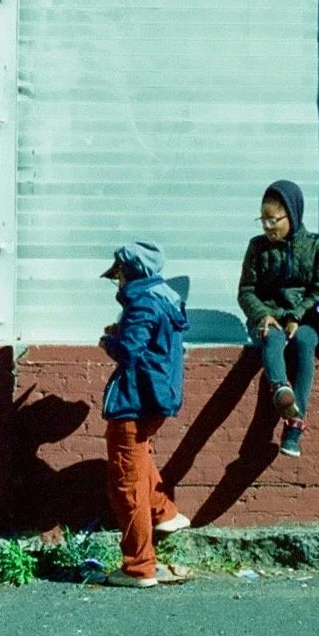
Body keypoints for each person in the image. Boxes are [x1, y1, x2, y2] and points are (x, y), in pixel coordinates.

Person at [99, 240, 191, 588]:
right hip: (155, 398)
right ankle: (164, 512)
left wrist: (109, 341)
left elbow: (130, 350)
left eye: (118, 275)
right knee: (139, 460)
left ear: (129, 272)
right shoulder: (164, 298)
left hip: (135, 400)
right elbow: (152, 343)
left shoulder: (142, 302)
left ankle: (139, 567)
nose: (117, 281)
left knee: (127, 482)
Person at [237, 180, 319, 458]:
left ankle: (294, 429)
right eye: (263, 220)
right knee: (272, 337)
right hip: (269, 317)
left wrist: (296, 315)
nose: (267, 227)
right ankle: (281, 391)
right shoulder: (257, 247)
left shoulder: (318, 245)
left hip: (306, 318)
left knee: (304, 342)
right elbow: (246, 291)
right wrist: (262, 314)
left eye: (273, 220)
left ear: (291, 214)